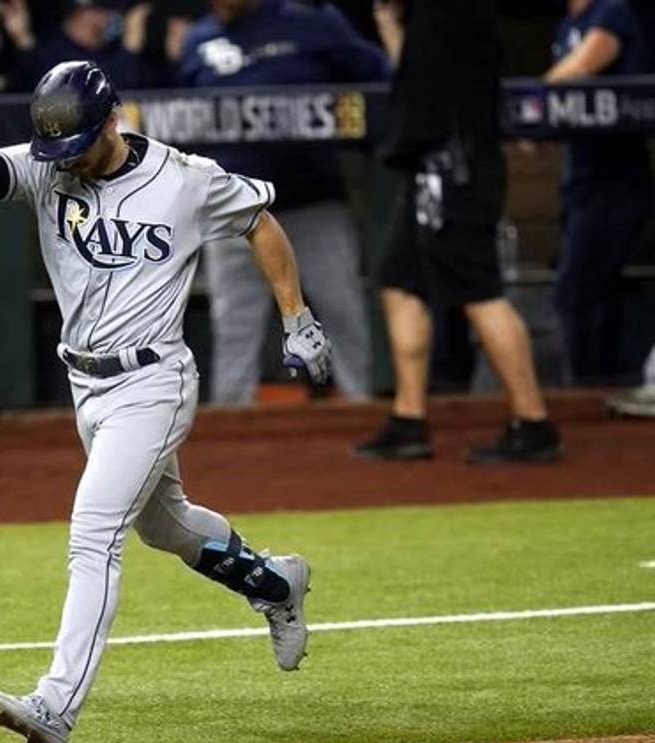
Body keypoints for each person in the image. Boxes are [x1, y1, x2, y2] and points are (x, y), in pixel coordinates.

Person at [0, 60, 327, 743]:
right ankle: (278, 582)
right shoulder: (51, 166)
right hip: (87, 387)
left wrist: (296, 318)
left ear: (111, 120)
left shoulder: (184, 178)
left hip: (154, 384)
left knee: (94, 531)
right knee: (164, 527)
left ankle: (56, 705)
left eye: (76, 145)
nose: (63, 161)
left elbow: (261, 221)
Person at [354, 0, 562, 464]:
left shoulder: (458, 11)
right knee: (399, 281)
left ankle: (534, 422)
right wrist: (390, 25)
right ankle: (409, 419)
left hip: (456, 166)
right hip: (431, 167)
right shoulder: (429, 18)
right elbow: (415, 77)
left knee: (478, 288)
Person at [179, 0, 390, 405]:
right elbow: (169, 114)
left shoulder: (311, 23)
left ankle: (360, 408)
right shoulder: (199, 39)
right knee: (234, 322)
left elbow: (377, 82)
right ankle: (233, 424)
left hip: (312, 201)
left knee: (340, 308)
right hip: (234, 211)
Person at [545, 0, 652, 387]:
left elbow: (580, 67)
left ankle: (583, 396)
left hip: (616, 183)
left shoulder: (613, 11)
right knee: (597, 296)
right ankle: (605, 389)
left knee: (574, 296)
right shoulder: (566, 24)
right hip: (581, 181)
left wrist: (531, 109)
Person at [0, 0, 156, 94]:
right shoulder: (52, 53)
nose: (108, 19)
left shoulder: (112, 50)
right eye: (101, 12)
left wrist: (23, 40)